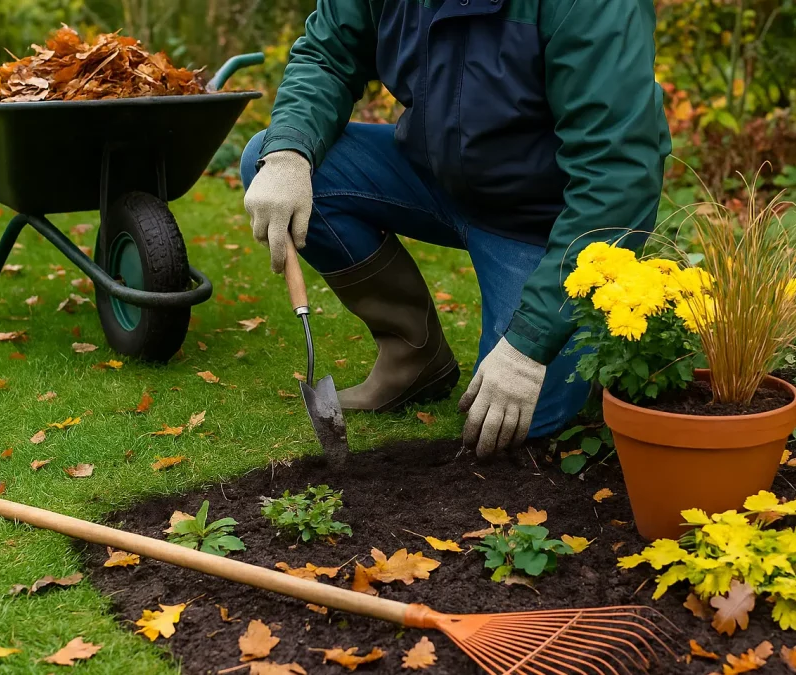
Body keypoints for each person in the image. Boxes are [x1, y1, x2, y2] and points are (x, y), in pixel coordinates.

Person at [241, 0, 671, 458]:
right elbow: (329, 54)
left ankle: (566, 338)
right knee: (270, 157)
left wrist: (530, 344)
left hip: (541, 219)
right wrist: (289, 155)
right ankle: (415, 356)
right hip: (437, 177)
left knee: (519, 423)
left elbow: (618, 172)